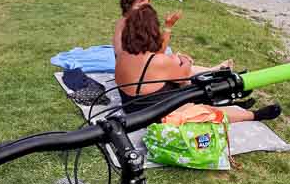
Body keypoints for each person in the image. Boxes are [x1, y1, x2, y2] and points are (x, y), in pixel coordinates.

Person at [115, 6, 280, 122]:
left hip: (131, 104)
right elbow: (183, 77)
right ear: (151, 30)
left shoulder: (124, 53)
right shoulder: (157, 61)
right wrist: (184, 61)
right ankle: (254, 115)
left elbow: (156, 59)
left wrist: (169, 31)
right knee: (206, 112)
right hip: (150, 112)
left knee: (186, 78)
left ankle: (226, 87)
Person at [113, 0, 181, 56]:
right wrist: (168, 26)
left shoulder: (141, 21)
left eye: (147, 6)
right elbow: (158, 53)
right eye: (140, 6)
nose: (145, 11)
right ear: (128, 7)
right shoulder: (126, 24)